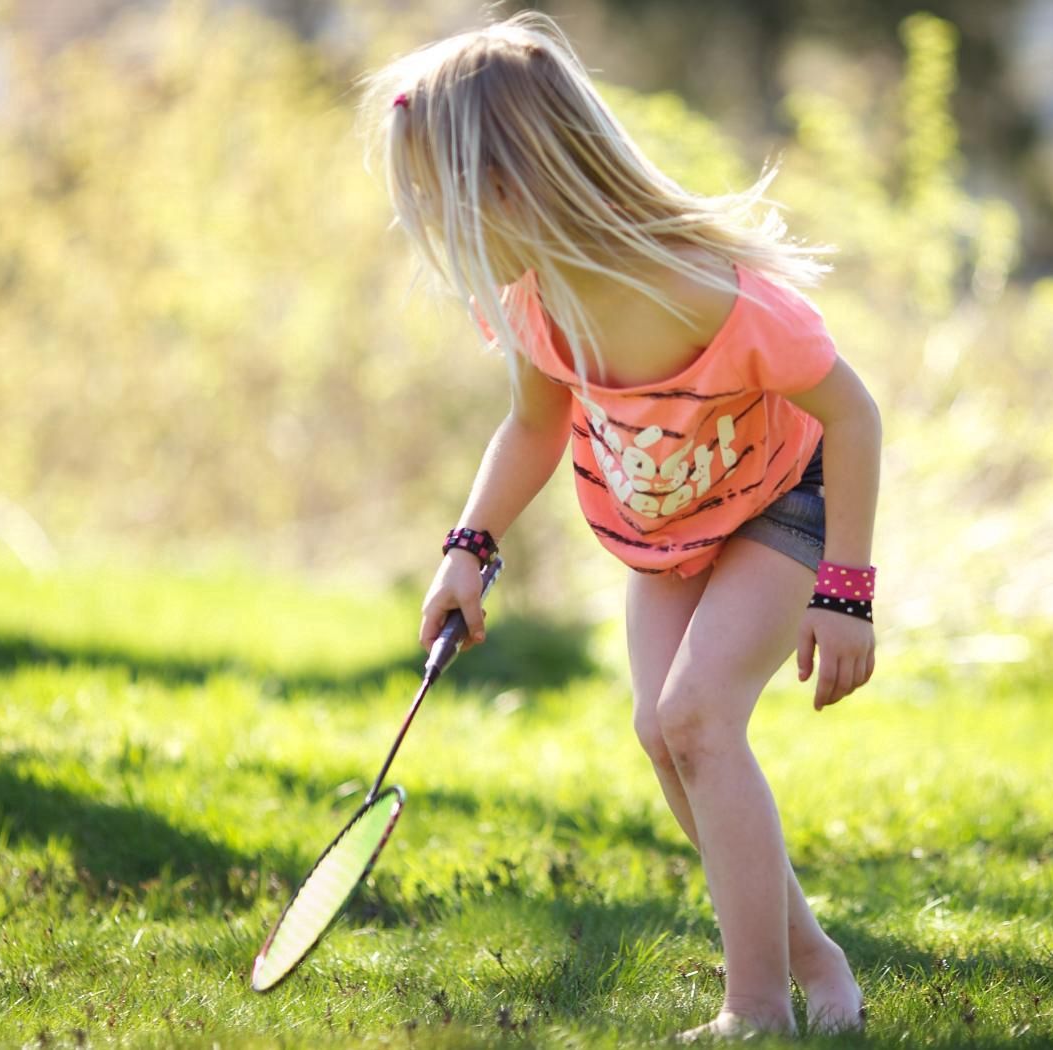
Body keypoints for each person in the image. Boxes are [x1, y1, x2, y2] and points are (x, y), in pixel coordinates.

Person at [361, 13, 881, 1041]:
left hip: (785, 504)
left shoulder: (711, 294)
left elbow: (852, 415)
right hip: (664, 531)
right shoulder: (533, 304)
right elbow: (531, 424)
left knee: (698, 718)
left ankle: (758, 1010)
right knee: (664, 733)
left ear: (512, 183)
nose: (437, 225)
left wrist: (847, 592)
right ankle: (818, 970)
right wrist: (467, 549)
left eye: (441, 199)